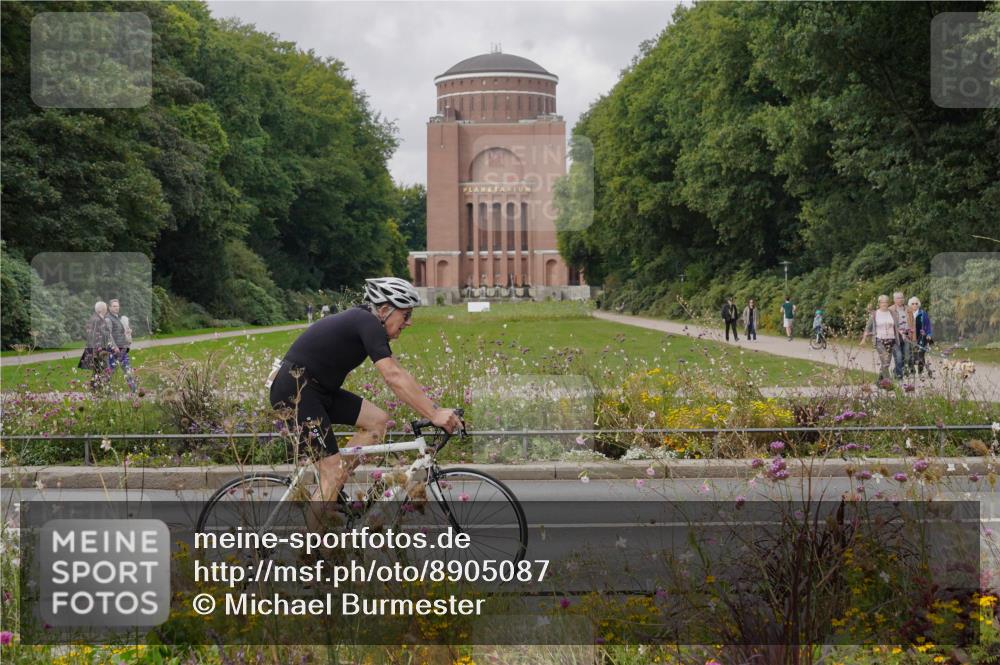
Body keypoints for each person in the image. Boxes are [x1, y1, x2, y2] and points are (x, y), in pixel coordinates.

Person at [269, 277, 462, 512]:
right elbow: (392, 377)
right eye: (406, 315)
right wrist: (433, 414)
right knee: (332, 471)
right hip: (296, 391)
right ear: (384, 310)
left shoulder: (367, 323)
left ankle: (334, 487)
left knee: (377, 421)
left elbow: (398, 371)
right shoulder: (367, 322)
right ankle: (311, 547)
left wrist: (435, 408)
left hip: (317, 390)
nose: (409, 322)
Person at [860, 295, 902, 384]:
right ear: (879, 303)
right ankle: (888, 382)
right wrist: (864, 339)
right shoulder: (875, 314)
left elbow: (897, 327)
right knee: (885, 360)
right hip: (880, 340)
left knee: (886, 362)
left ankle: (879, 380)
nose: (884, 304)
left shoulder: (893, 313)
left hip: (892, 339)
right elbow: (868, 328)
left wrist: (902, 333)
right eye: (882, 302)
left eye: (886, 302)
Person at [106, 299, 138, 392]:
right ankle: (105, 391)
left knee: (127, 368)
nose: (116, 308)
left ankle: (134, 390)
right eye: (114, 306)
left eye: (117, 306)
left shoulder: (118, 318)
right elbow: (109, 334)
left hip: (122, 348)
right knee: (111, 371)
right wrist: (115, 347)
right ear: (109, 308)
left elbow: (120, 332)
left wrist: (127, 332)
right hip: (114, 349)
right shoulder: (108, 319)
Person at [80, 301, 113, 389]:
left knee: (97, 370)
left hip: (96, 349)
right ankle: (106, 390)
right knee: (105, 369)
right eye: (105, 308)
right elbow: (95, 335)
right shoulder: (98, 320)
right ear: (101, 309)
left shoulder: (94, 318)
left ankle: (94, 389)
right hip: (99, 350)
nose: (106, 309)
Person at [889, 291, 914, 379]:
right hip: (896, 336)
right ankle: (899, 376)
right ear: (894, 299)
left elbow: (912, 323)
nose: (900, 299)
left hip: (907, 336)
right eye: (898, 298)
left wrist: (912, 335)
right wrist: (899, 332)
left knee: (906, 356)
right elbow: (890, 324)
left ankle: (896, 371)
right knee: (898, 356)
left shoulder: (908, 309)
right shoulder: (890, 310)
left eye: (902, 297)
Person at [910, 296, 934, 378]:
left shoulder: (923, 313)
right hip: (910, 338)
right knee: (912, 356)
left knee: (920, 355)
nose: (914, 305)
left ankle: (921, 373)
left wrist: (929, 334)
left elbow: (928, 325)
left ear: (918, 304)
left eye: (916, 303)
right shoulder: (908, 314)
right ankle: (912, 371)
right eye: (913, 304)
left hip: (921, 338)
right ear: (910, 305)